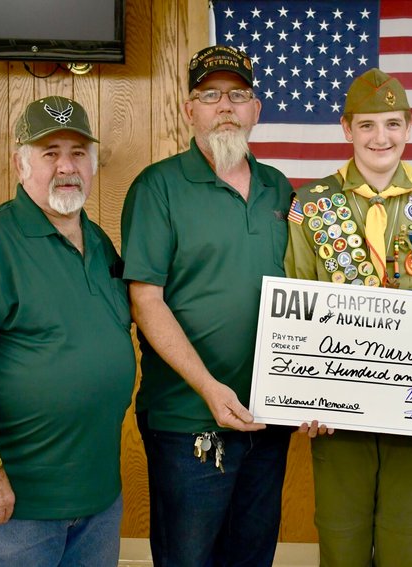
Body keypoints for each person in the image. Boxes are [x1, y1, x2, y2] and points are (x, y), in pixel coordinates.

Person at [284, 68, 412, 567]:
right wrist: (304, 394)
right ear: (347, 129)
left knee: (404, 542)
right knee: (341, 541)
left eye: (392, 123)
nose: (380, 137)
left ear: (409, 128)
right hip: (336, 408)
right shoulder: (311, 203)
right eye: (367, 125)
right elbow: (299, 300)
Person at [0, 95, 135, 565]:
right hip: (17, 504)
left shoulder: (102, 243)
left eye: (78, 153)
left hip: (98, 497)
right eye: (50, 153)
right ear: (20, 164)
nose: (67, 166)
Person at [120, 44, 293, 566]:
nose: (225, 106)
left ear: (255, 110)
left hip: (268, 419)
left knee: (252, 556)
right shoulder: (159, 187)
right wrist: (208, 387)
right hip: (187, 420)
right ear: (188, 109)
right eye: (210, 94)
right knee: (188, 559)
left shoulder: (279, 189)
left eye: (237, 95)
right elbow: (146, 300)